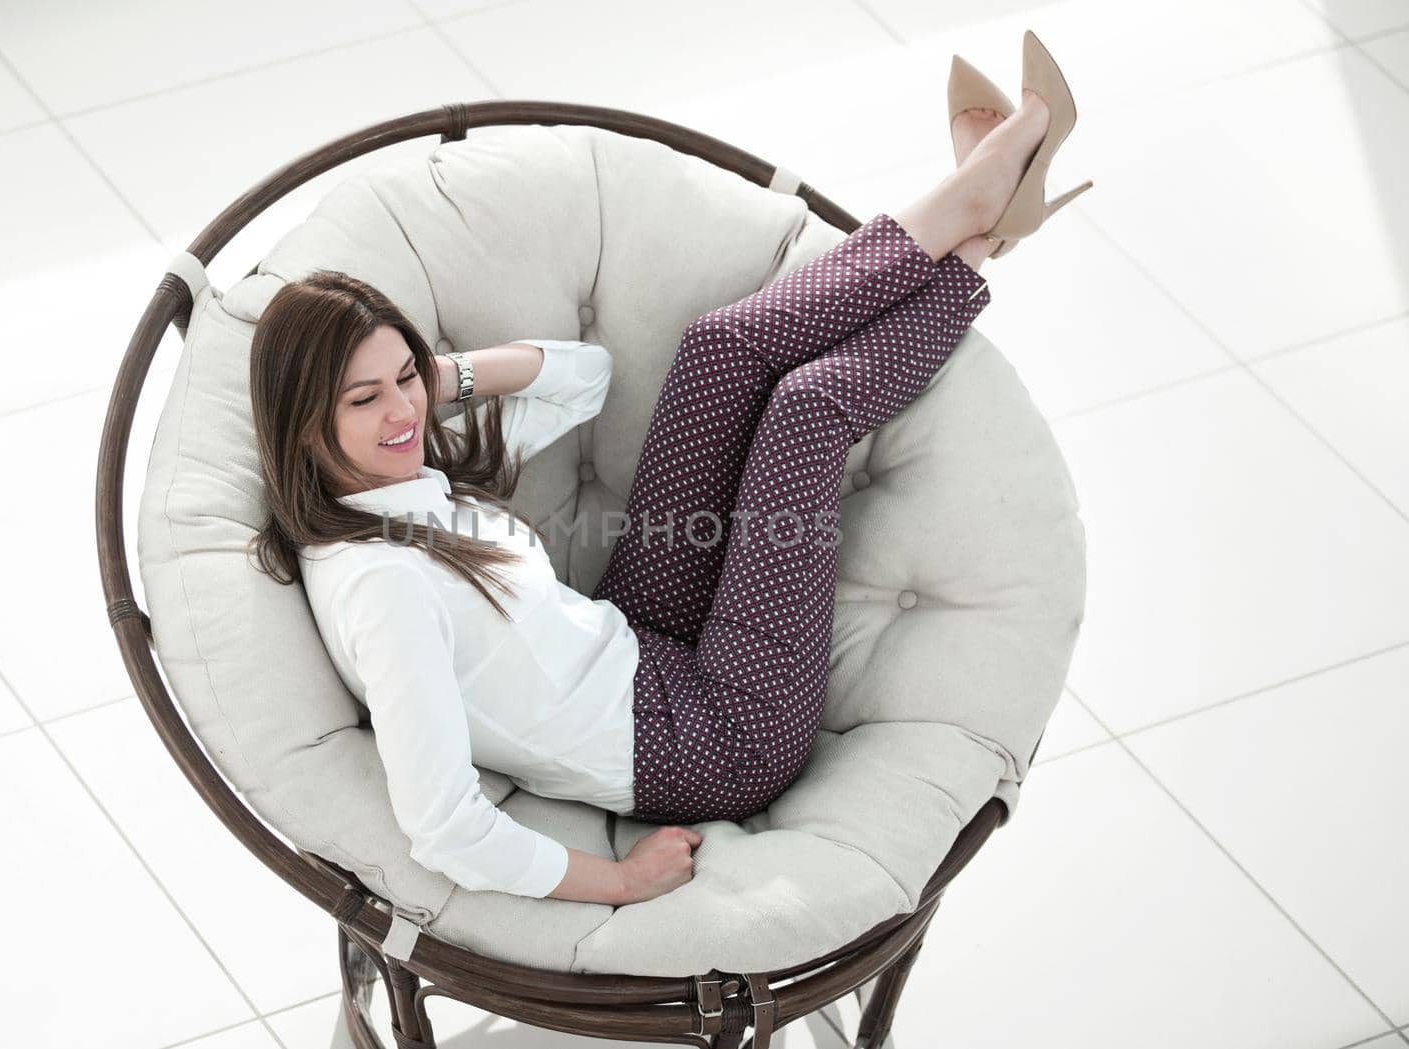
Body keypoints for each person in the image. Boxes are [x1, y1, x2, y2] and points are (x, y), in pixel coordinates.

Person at [247, 44, 1089, 908]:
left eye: (403, 377)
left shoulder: (399, 479)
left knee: (719, 352)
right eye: (364, 398)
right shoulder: (379, 586)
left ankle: (973, 212)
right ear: (304, 424)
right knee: (806, 413)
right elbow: (441, 822)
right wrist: (618, 878)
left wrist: (446, 378)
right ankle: (979, 230)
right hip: (712, 738)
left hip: (635, 630)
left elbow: (584, 377)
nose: (401, 415)